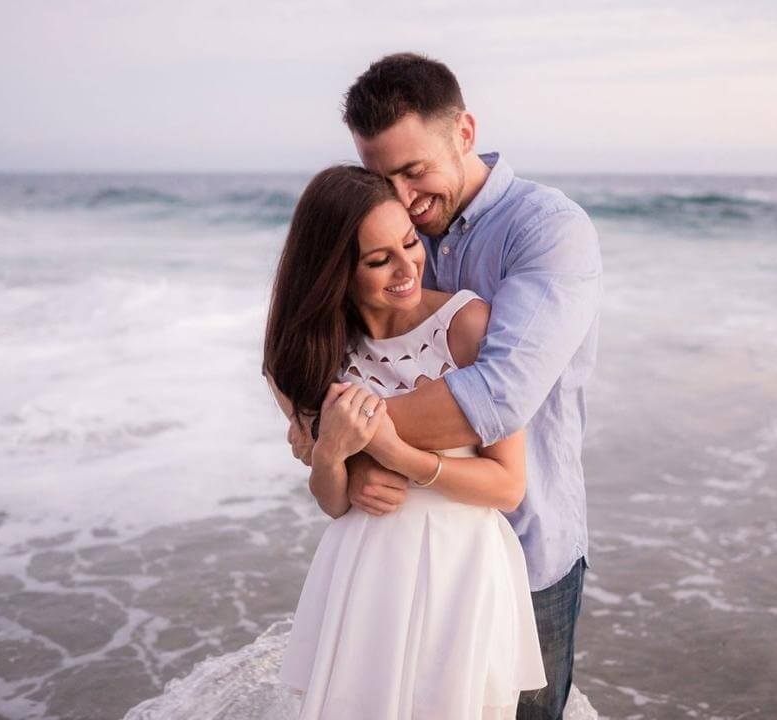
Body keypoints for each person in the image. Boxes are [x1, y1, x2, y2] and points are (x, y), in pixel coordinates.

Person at [285, 53, 603, 719]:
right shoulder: (384, 228)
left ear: (464, 133)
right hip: (393, 561)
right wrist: (328, 443)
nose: (401, 197)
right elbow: (297, 344)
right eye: (382, 177)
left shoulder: (548, 231)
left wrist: (346, 439)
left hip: (525, 539)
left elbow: (498, 396)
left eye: (413, 171)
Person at [263, 165, 547, 718]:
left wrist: (396, 454)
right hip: (363, 571)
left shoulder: (464, 325)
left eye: (410, 243)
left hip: (460, 571)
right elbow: (332, 503)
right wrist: (334, 455)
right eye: (378, 260)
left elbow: (507, 486)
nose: (406, 268)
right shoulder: (317, 354)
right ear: (334, 272)